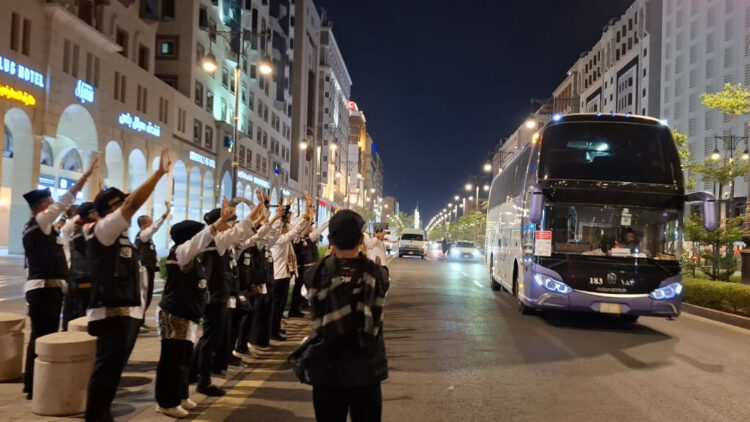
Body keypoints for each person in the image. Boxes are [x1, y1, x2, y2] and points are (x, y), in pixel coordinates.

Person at [84, 149, 170, 422]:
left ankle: (102, 414)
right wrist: (157, 174)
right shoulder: (103, 231)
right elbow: (132, 204)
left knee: (114, 371)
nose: (127, 211)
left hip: (127, 313)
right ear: (110, 210)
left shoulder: (121, 237)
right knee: (106, 371)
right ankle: (96, 417)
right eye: (118, 206)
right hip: (111, 315)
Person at [21, 158, 97, 399]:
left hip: (48, 288)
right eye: (51, 203)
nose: (57, 207)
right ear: (43, 205)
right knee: (42, 336)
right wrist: (83, 179)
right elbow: (64, 202)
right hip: (43, 288)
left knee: (45, 334)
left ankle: (35, 383)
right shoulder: (40, 223)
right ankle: (35, 385)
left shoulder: (43, 227)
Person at [153, 199, 235, 418]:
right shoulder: (181, 252)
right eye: (198, 235)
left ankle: (180, 395)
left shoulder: (193, 256)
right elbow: (200, 240)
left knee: (184, 358)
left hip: (187, 313)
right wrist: (219, 223)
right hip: (174, 314)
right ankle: (166, 402)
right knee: (172, 360)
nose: (205, 239)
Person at [307, 210, 390, 422]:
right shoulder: (376, 274)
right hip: (366, 369)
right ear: (361, 240)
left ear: (330, 239)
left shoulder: (316, 274)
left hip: (327, 367)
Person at [190, 200, 259, 396]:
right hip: (214, 297)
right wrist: (256, 211)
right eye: (229, 221)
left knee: (210, 338)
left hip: (219, 295)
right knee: (209, 339)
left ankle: (196, 373)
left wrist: (259, 212)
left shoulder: (219, 242)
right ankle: (202, 379)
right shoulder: (216, 241)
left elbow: (243, 231)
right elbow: (241, 230)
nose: (232, 225)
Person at [268, 194, 313, 341]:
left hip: (285, 275)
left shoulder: (283, 239)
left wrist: (306, 210)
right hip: (278, 276)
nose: (287, 228)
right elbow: (294, 230)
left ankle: (276, 329)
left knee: (279, 307)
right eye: (284, 227)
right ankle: (273, 331)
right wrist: (280, 217)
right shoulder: (277, 240)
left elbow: (296, 228)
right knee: (275, 307)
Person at [62, 202, 98, 330]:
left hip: (81, 272)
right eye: (95, 212)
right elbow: (85, 252)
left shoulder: (82, 227)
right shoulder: (79, 229)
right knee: (79, 306)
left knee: (78, 305)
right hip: (80, 273)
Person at [135, 201, 171, 330]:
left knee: (147, 296)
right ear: (144, 225)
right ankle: (138, 322)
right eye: (149, 222)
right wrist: (164, 215)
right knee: (144, 296)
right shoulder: (143, 235)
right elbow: (155, 227)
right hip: (144, 270)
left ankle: (141, 321)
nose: (151, 224)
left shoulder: (146, 237)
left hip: (149, 269)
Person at [289, 218, 329, 318]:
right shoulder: (298, 238)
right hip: (302, 267)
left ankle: (299, 307)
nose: (310, 228)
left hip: (308, 267)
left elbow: (318, 231)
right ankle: (294, 309)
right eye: (309, 226)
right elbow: (317, 230)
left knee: (304, 289)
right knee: (298, 289)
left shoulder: (308, 238)